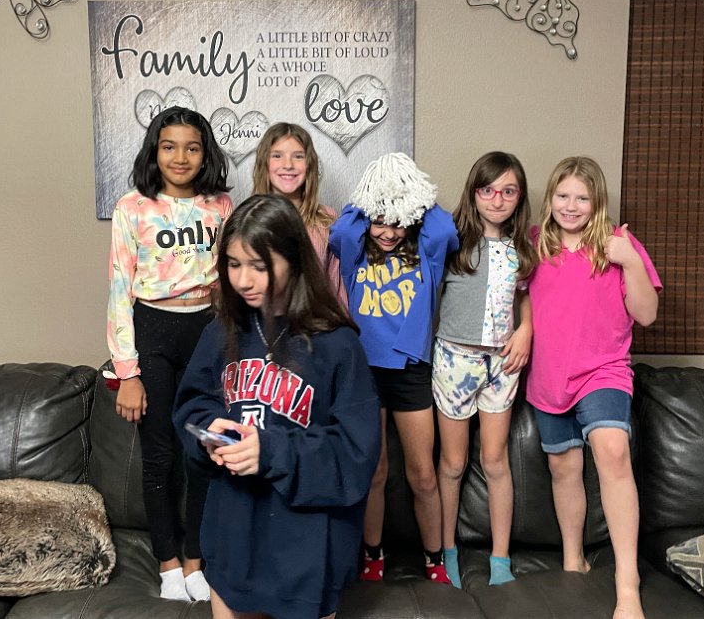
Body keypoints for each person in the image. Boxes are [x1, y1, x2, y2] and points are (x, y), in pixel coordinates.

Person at [172, 194, 381, 619]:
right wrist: (209, 435)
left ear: (294, 259)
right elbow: (192, 405)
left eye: (259, 265)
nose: (243, 280)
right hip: (234, 539)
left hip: (307, 551)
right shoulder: (221, 332)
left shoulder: (337, 343)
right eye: (233, 264)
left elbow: (356, 454)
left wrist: (270, 451)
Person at [105, 105, 232, 602]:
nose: (181, 157)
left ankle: (196, 560)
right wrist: (127, 372)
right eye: (169, 146)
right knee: (159, 455)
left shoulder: (221, 206)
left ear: (205, 154)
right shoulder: (132, 207)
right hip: (153, 331)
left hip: (207, 331)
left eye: (192, 147)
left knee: (203, 448)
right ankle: (168, 563)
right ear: (155, 152)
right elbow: (119, 288)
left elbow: (232, 281)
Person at [526, 157, 661, 619]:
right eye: (563, 195)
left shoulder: (618, 244)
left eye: (582, 197)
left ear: (597, 201)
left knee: (613, 451)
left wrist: (630, 261)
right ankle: (573, 559)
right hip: (549, 376)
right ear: (550, 198)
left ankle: (628, 585)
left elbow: (646, 314)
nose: (571, 205)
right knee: (564, 467)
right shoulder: (534, 244)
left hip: (603, 370)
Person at [329, 152, 459, 584]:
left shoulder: (428, 253)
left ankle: (434, 560)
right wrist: (374, 190)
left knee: (423, 475)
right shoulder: (353, 252)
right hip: (364, 371)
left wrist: (412, 193)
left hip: (410, 371)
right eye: (379, 222)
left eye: (397, 222)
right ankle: (373, 556)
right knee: (375, 472)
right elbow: (342, 229)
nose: (387, 232)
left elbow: (445, 228)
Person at [434, 151, 536, 588]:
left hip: (503, 362)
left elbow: (525, 295)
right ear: (474, 192)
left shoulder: (522, 248)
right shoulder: (452, 239)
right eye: (488, 190)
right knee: (453, 463)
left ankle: (500, 558)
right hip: (455, 359)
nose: (497, 200)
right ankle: (446, 552)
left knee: (495, 460)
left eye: (508, 191)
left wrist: (526, 328)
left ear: (519, 197)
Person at [251, 122, 343, 297]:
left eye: (298, 156)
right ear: (264, 163)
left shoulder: (328, 220)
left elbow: (336, 289)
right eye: (277, 156)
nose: (288, 165)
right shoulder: (247, 220)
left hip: (316, 314)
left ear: (310, 164)